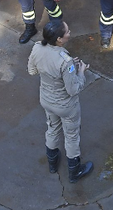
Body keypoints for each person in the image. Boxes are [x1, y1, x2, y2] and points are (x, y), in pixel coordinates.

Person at [27, 20, 93, 184]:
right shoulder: (66, 61)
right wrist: (81, 72)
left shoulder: (37, 47)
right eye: (67, 32)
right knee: (71, 137)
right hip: (65, 106)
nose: (70, 33)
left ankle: (52, 164)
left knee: (52, 129)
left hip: (46, 100)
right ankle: (74, 171)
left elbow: (32, 70)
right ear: (59, 39)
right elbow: (73, 89)